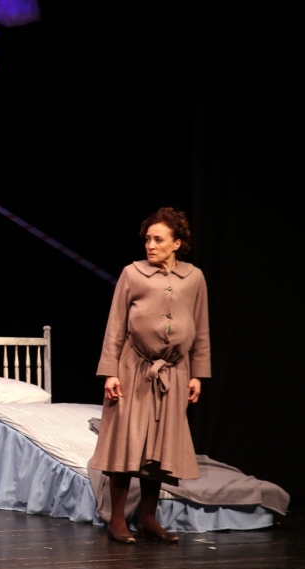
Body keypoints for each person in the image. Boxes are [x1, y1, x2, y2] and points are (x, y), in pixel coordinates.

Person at [90, 207, 211, 544]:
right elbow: (115, 326)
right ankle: (117, 520)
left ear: (177, 243)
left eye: (158, 239)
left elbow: (201, 330)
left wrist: (197, 375)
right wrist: (110, 373)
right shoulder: (133, 274)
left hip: (174, 372)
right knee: (126, 442)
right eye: (147, 239)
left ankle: (147, 519)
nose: (151, 245)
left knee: (159, 445)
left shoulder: (194, 278)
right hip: (134, 368)